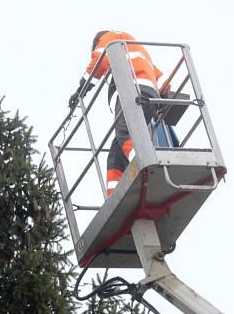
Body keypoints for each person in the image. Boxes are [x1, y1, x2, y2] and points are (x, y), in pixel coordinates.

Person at [68, 30, 171, 197]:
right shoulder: (132, 48)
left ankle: (144, 164)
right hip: (149, 96)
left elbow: (99, 62)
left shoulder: (111, 38)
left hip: (133, 92)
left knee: (124, 131)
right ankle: (112, 194)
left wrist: (81, 91)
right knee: (117, 150)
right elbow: (157, 74)